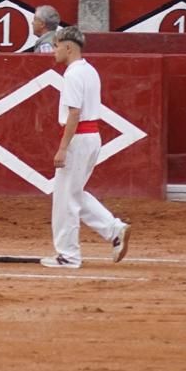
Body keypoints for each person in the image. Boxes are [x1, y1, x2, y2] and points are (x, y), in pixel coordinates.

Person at [42, 27, 131, 270]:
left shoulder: (72, 75)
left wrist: (62, 148)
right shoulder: (90, 70)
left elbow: (74, 113)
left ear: (68, 47)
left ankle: (68, 255)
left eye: (57, 46)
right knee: (74, 193)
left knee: (65, 199)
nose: (54, 51)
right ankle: (113, 229)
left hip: (79, 139)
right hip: (92, 137)